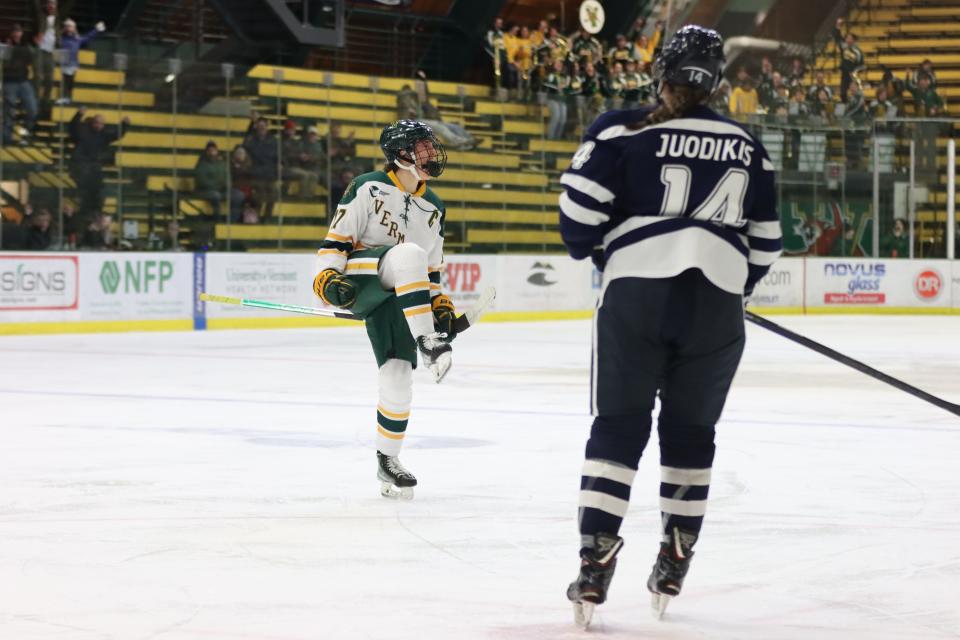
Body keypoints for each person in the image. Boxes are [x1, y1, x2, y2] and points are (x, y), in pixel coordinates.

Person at [559, 25, 782, 628]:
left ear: (663, 72)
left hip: (636, 295)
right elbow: (767, 242)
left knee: (618, 429)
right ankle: (677, 552)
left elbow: (577, 217)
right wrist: (731, 286)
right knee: (690, 435)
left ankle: (596, 555)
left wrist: (607, 250)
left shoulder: (622, 127)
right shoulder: (746, 143)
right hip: (716, 308)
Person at [312, 120, 455, 500]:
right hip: (361, 275)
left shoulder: (435, 207)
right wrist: (325, 278)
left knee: (397, 377)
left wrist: (439, 304)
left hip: (400, 290)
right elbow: (337, 240)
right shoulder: (368, 185)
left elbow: (432, 272)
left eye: (429, 146)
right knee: (409, 253)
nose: (429, 153)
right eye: (421, 147)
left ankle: (387, 464)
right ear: (400, 154)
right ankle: (429, 342)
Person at [69, 107, 128, 225]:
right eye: (96, 123)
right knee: (88, 190)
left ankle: (94, 213)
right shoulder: (83, 132)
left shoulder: (103, 136)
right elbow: (73, 128)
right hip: (79, 165)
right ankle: (88, 214)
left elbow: (116, 135)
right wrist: (78, 115)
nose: (98, 126)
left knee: (100, 190)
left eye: (101, 124)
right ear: (92, 123)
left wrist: (125, 125)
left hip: (93, 168)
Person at [3, 24, 38, 146]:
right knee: (9, 111)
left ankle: (25, 135)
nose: (16, 34)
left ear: (21, 33)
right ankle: (6, 138)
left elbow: (32, 60)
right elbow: (4, 63)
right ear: (11, 33)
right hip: (9, 82)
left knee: (32, 109)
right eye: (14, 31)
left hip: (24, 81)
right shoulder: (5, 46)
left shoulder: (26, 46)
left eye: (18, 31)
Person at [57, 18, 105, 104]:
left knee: (70, 82)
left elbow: (88, 37)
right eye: (67, 26)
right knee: (64, 81)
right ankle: (63, 97)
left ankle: (68, 97)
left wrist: (96, 29)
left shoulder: (77, 39)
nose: (68, 28)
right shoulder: (61, 38)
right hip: (63, 63)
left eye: (70, 26)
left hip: (73, 64)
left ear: (74, 28)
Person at [243, 115, 279, 217]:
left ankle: (267, 217)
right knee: (260, 197)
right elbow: (245, 147)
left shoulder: (273, 140)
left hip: (270, 174)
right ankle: (257, 217)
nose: (262, 128)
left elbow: (278, 155)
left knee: (274, 195)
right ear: (256, 127)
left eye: (264, 126)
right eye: (260, 125)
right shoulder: (251, 139)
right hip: (256, 173)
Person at [33, 0, 59, 113]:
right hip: (39, 50)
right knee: (38, 77)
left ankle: (45, 101)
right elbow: (36, 4)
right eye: (49, 3)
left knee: (50, 79)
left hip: (50, 52)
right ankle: (35, 99)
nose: (51, 5)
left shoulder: (58, 20)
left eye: (53, 3)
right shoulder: (41, 15)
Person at [194, 141, 227, 217]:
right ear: (206, 152)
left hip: (221, 190)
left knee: (237, 195)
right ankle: (217, 218)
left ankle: (233, 220)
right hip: (204, 190)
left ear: (217, 151)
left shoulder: (223, 164)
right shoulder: (201, 164)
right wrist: (217, 186)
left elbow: (227, 178)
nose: (212, 152)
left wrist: (226, 186)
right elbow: (202, 181)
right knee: (216, 195)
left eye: (214, 150)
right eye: (210, 150)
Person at [833, 18, 864, 102]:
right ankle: (845, 106)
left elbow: (861, 65)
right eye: (847, 38)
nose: (848, 40)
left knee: (855, 92)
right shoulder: (844, 47)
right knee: (842, 93)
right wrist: (838, 26)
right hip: (844, 74)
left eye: (850, 38)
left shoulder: (858, 51)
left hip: (853, 75)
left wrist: (855, 73)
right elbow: (837, 38)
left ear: (853, 40)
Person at [543, 59, 570, 140]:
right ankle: (551, 137)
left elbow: (568, 88)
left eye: (560, 64)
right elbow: (546, 84)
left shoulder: (564, 76)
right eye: (557, 64)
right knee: (556, 116)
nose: (559, 65)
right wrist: (556, 87)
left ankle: (557, 137)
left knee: (563, 119)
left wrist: (566, 87)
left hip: (562, 99)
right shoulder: (551, 75)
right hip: (552, 99)